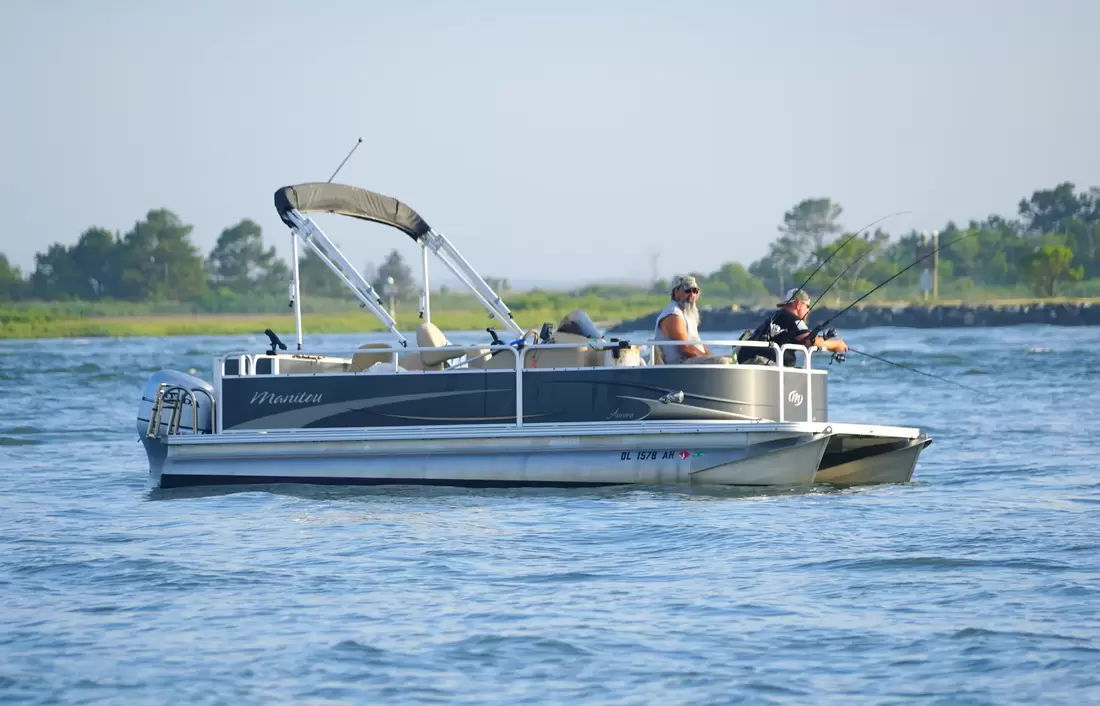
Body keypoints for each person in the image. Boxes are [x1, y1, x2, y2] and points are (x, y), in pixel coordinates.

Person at [736, 288, 848, 366]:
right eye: (807, 306)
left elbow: (805, 342)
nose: (809, 311)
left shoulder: (777, 316)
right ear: (798, 305)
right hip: (760, 364)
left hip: (746, 359)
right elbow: (811, 341)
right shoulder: (794, 321)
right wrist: (836, 344)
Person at [654, 275, 719, 364]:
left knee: (731, 360)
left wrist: (711, 357)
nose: (692, 294)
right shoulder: (673, 315)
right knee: (722, 361)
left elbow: (697, 342)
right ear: (676, 292)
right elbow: (685, 348)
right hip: (681, 365)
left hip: (694, 361)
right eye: (687, 291)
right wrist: (710, 360)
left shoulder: (688, 313)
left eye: (695, 291)